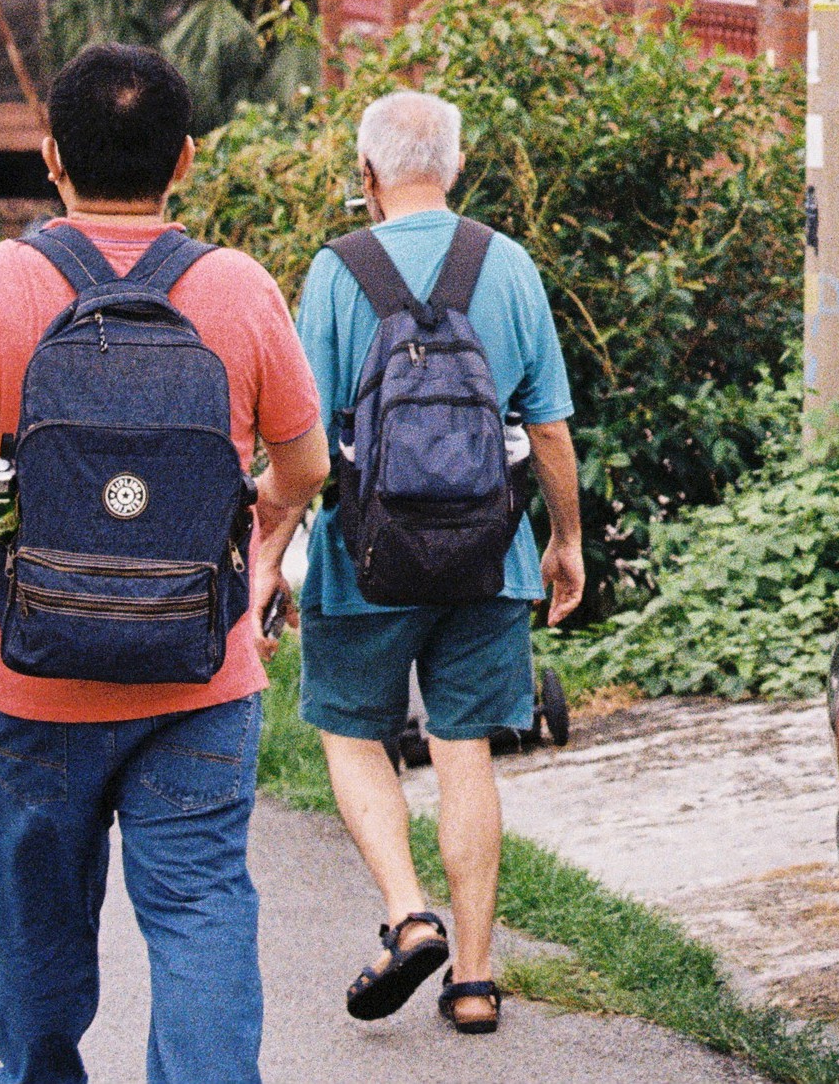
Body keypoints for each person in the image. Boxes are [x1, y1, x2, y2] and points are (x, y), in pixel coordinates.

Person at [0, 43, 328, 1084]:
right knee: (201, 910)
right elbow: (306, 465)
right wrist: (259, 551)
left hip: (30, 682)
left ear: (51, 158)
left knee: (39, 928)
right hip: (197, 681)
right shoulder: (241, 290)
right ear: (186, 159)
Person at [291, 89, 585, 1037]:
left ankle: (406, 909)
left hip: (363, 556)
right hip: (485, 558)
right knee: (465, 754)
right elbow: (548, 427)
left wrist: (265, 550)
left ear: (367, 175)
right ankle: (473, 976)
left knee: (350, 733)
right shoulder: (505, 264)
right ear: (454, 168)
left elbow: (302, 438)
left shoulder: (337, 271)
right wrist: (565, 540)